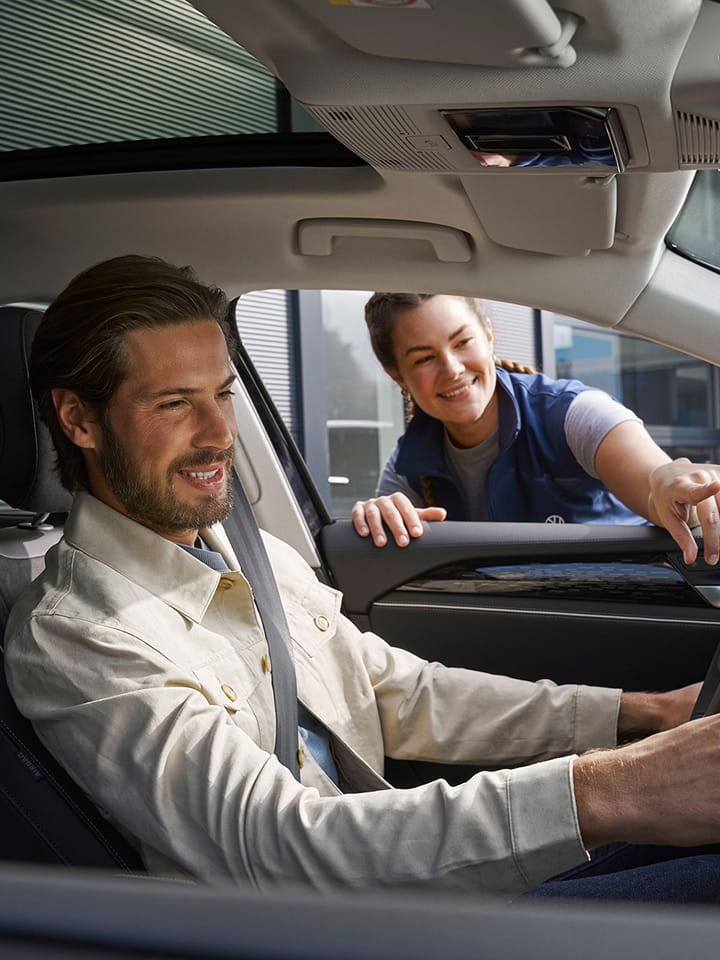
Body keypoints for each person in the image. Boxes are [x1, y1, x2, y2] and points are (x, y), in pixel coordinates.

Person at [6, 255, 720, 902]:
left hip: (411, 876)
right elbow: (275, 843)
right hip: (343, 926)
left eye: (223, 393)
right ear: (80, 421)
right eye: (174, 403)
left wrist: (642, 713)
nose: (220, 431)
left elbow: (396, 693)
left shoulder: (246, 550)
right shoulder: (77, 637)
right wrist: (607, 791)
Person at [353, 292, 720, 565]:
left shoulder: (573, 413)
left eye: (462, 342)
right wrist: (379, 518)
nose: (452, 369)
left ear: (489, 336)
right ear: (397, 375)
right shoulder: (408, 462)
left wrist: (675, 479)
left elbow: (654, 481)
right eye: (425, 358)